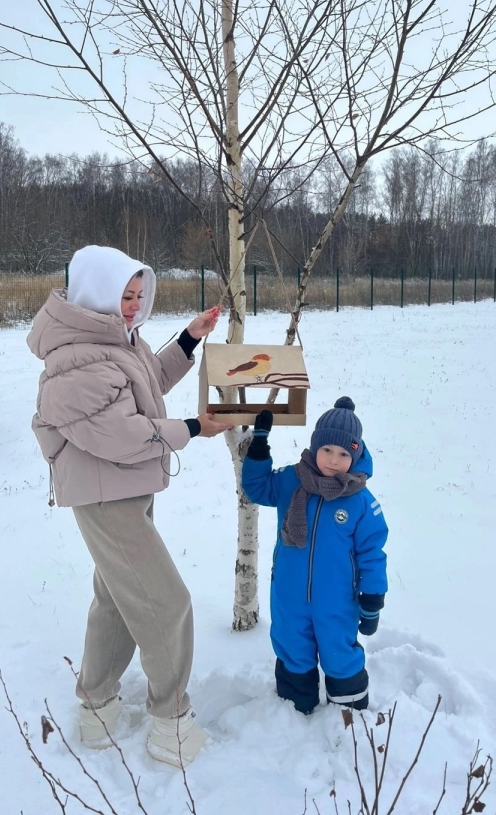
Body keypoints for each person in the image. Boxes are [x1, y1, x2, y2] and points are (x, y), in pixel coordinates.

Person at [27, 245, 230, 767]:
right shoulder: (77, 357)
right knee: (165, 602)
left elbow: (148, 383)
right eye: (125, 296)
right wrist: (191, 428)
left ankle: (96, 707)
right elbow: (121, 433)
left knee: (118, 598)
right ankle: (171, 726)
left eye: (140, 296)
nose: (135, 306)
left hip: (123, 487)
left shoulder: (112, 339)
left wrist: (189, 338)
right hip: (105, 493)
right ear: (95, 292)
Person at [242, 397, 388, 714]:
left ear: (356, 454)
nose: (333, 460)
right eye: (326, 451)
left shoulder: (360, 500)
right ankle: (295, 711)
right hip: (288, 594)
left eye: (343, 454)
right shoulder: (292, 480)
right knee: (293, 648)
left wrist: (373, 597)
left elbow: (372, 552)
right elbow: (257, 487)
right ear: (314, 447)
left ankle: (348, 715)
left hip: (336, 600)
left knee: (339, 654)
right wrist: (259, 445)